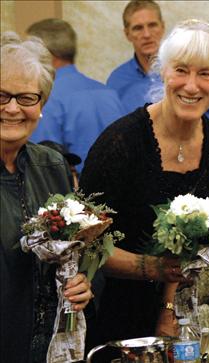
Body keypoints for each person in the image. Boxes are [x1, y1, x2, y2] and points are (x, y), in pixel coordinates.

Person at [80, 19, 209, 360]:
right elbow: (83, 246)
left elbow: (186, 241)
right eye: (181, 70)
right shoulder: (120, 143)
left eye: (206, 73)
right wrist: (154, 268)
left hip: (177, 308)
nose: (192, 86)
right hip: (107, 304)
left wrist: (167, 310)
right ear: (162, 72)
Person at [0, 32, 93, 363]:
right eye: (1, 96)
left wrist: (82, 281)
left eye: (26, 98)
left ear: (41, 106)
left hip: (52, 348)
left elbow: (74, 250)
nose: (13, 108)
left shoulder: (52, 165)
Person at [107, 0, 209, 137]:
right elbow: (112, 132)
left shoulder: (193, 74)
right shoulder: (116, 81)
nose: (147, 34)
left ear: (162, 27)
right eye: (138, 28)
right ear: (127, 34)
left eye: (152, 25)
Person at [27, 18, 125, 174]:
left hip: (70, 194)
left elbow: (42, 166)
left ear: (45, 54)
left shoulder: (46, 98)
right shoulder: (109, 93)